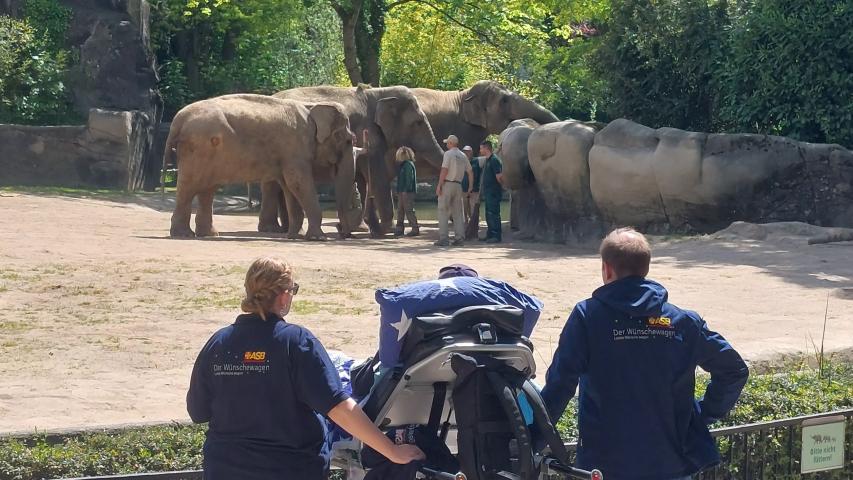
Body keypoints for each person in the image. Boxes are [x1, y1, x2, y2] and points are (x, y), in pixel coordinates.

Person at [187, 257, 425, 479]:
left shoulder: (218, 343)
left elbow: (198, 412)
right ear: (284, 296)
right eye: (293, 290)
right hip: (289, 468)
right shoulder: (295, 342)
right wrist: (392, 451)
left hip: (224, 469)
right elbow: (339, 408)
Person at [540, 228, 749, 480]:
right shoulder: (683, 321)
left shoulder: (588, 317)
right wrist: (702, 414)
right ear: (646, 268)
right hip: (670, 464)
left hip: (604, 466)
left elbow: (560, 386)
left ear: (607, 269)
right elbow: (733, 370)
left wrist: (531, 439)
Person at [435, 135, 473, 247]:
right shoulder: (463, 155)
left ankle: (444, 239)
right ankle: (459, 238)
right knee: (458, 213)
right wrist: (470, 186)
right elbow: (470, 172)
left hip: (448, 184)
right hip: (458, 185)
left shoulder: (448, 154)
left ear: (451, 143)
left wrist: (439, 185)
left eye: (447, 143)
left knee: (443, 211)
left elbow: (444, 169)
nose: (447, 144)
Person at [478, 141, 504, 243]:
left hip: (494, 191)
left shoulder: (494, 160)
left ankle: (496, 236)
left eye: (481, 148)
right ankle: (490, 234)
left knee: (494, 213)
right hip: (488, 192)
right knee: (488, 213)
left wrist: (500, 187)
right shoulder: (487, 160)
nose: (480, 150)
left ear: (486, 148)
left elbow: (499, 176)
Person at [394, 146, 420, 237]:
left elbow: (409, 178)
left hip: (407, 192)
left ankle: (415, 228)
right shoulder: (403, 165)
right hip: (401, 191)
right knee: (400, 210)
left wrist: (406, 190)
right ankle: (399, 228)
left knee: (409, 210)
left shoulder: (408, 164)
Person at [460, 145, 481, 224]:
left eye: (468, 151)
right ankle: (465, 224)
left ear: (471, 152)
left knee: (473, 208)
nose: (466, 153)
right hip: (463, 189)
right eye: (464, 151)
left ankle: (474, 224)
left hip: (474, 189)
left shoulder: (477, 161)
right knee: (464, 208)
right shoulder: (461, 162)